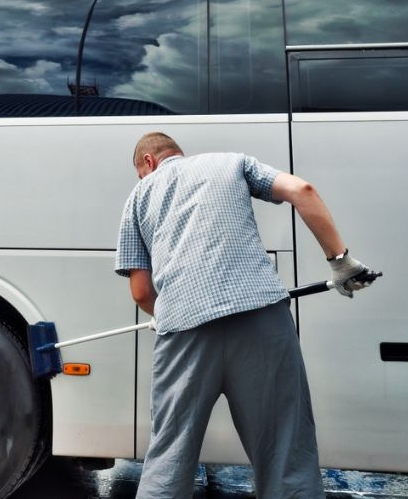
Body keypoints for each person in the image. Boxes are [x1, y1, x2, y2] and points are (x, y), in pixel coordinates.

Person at [114, 132, 376, 499]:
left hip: (184, 331)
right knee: (285, 455)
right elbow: (303, 191)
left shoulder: (139, 196)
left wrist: (165, 313)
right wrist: (341, 263)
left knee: (169, 457)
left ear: (148, 163)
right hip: (260, 318)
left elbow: (141, 292)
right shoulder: (232, 162)